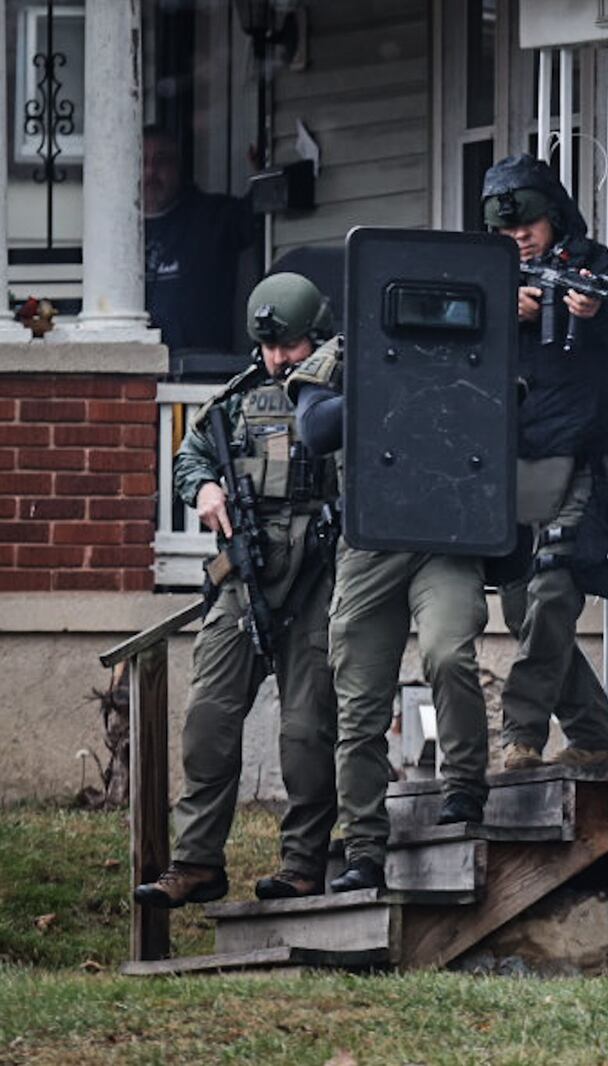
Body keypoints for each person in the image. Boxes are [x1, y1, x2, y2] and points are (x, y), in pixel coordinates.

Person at [133, 273, 340, 907]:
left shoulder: (341, 392)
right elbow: (190, 455)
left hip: (320, 576)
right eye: (271, 348)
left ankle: (305, 864)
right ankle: (196, 862)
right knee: (208, 720)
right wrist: (204, 489)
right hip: (244, 577)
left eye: (292, 347)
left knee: (307, 731)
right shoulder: (237, 400)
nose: (280, 360)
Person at [288, 336, 492, 893]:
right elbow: (317, 426)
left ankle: (465, 787)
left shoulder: (474, 323)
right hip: (371, 539)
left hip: (447, 532)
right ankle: (363, 848)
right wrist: (398, 387)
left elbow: (506, 403)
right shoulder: (346, 344)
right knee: (359, 702)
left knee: (447, 652)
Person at [481, 154, 608, 772]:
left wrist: (597, 312)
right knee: (517, 603)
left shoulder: (598, 268)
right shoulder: (488, 278)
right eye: (506, 231)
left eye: (528, 224)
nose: (519, 237)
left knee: (554, 590)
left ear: (553, 216)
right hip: (511, 454)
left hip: (584, 448)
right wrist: (508, 312)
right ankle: (597, 739)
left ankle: (521, 734)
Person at [143, 126, 258, 352]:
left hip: (203, 370)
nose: (150, 172)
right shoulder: (118, 233)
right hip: (138, 370)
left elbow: (258, 214)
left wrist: (262, 170)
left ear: (179, 167)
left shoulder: (212, 218)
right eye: (142, 161)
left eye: (161, 161)